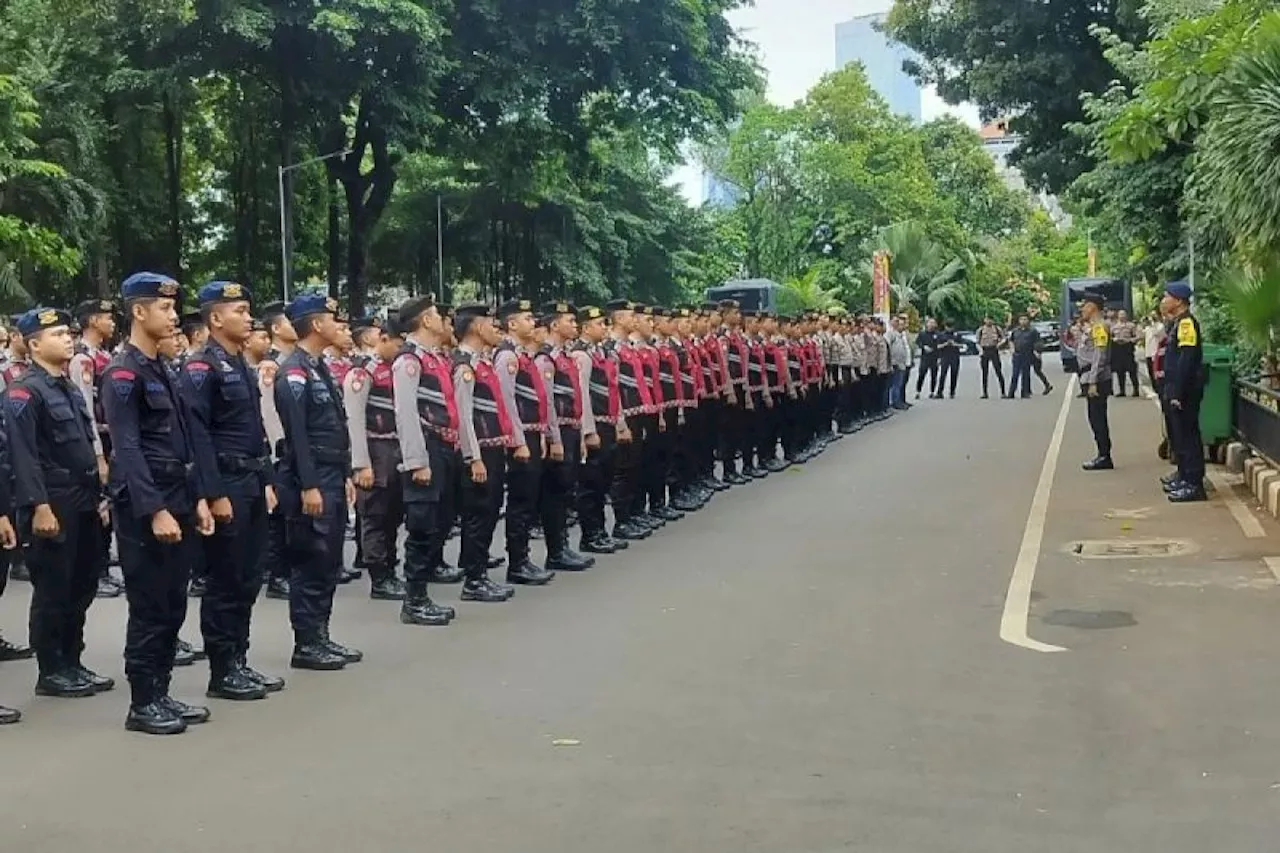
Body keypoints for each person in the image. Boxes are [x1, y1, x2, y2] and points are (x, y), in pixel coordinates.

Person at [102, 272, 216, 735]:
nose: (173, 316)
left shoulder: (160, 369)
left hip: (178, 496)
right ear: (139, 312)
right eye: (165, 308)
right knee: (151, 603)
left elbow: (183, 440)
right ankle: (143, 701)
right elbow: (126, 450)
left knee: (172, 603)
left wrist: (198, 500)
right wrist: (155, 510)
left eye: (174, 308)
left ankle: (162, 691)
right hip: (146, 506)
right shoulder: (122, 373)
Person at [179, 282, 281, 702]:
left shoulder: (240, 362)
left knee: (249, 576)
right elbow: (197, 434)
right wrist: (212, 491)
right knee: (226, 577)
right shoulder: (201, 367)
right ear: (216, 318)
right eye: (240, 310)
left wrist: (268, 479)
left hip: (252, 480)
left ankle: (239, 658)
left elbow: (254, 429)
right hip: (227, 483)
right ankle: (223, 669)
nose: (249, 318)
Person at [7, 307, 108, 702]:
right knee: (53, 588)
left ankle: (73, 660)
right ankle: (52, 669)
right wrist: (38, 506)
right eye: (58, 334)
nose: (68, 338)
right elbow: (23, 454)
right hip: (53, 501)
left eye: (69, 333)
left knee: (81, 584)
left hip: (82, 499)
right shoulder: (24, 390)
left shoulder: (65, 386)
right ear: (34, 344)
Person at [273, 292, 360, 672]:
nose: (340, 325)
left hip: (330, 473)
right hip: (310, 477)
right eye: (333, 319)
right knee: (311, 558)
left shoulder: (317, 367)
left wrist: (344, 475)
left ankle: (320, 635)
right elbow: (298, 437)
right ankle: (306, 642)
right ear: (315, 323)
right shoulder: (293, 371)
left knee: (328, 560)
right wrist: (309, 484)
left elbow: (335, 429)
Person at [390, 296, 460, 626]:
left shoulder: (434, 359)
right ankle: (414, 599)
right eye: (434, 315)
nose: (440, 319)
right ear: (424, 321)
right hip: (425, 448)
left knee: (438, 520)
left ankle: (422, 594)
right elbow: (406, 414)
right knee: (421, 524)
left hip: (443, 447)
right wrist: (417, 460)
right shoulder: (409, 362)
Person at [451, 303, 517, 602]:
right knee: (479, 514)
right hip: (480, 452)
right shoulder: (465, 365)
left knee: (488, 511)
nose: (496, 329)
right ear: (477, 327)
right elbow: (464, 416)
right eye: (491, 324)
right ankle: (474, 580)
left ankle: (478, 574)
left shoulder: (483, 362)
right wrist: (473, 456)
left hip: (493, 447)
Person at [494, 299, 558, 585]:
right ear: (512, 324)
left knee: (529, 498)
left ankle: (523, 558)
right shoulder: (507, 357)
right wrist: (518, 440)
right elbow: (506, 402)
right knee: (520, 501)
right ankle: (517, 562)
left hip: (533, 433)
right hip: (520, 437)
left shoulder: (524, 356)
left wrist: (543, 434)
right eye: (528, 318)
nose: (534, 323)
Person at [345, 318, 409, 601]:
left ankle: (391, 570)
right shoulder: (363, 373)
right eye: (397, 344)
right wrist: (361, 464)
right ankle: (379, 577)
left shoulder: (392, 370)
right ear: (382, 339)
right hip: (374, 452)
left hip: (394, 451)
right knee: (374, 517)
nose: (400, 350)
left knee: (393, 516)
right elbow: (354, 420)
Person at [536, 302, 596, 571]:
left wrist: (581, 434)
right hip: (557, 431)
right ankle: (555, 550)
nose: (575, 325)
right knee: (554, 492)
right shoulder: (545, 358)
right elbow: (546, 401)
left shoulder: (565, 356)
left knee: (564, 491)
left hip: (571, 429)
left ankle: (562, 546)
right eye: (569, 321)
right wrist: (554, 437)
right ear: (554, 325)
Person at [68, 299, 121, 599]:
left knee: (108, 507)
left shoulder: (103, 356)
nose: (112, 322)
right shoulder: (83, 360)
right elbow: (86, 408)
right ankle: (97, 571)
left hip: (110, 439)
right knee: (99, 506)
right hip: (98, 441)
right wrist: (98, 453)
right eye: (106, 317)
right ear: (91, 321)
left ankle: (102, 568)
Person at [575, 305, 632, 554]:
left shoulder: (603, 353)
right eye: (599, 324)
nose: (604, 328)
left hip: (608, 422)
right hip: (595, 423)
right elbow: (582, 396)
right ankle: (591, 534)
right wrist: (588, 431)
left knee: (604, 479)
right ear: (585, 328)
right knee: (592, 483)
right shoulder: (582, 356)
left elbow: (613, 390)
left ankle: (600, 531)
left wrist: (620, 423)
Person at [258, 301, 294, 600]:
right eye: (288, 320)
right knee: (278, 515)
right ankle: (277, 575)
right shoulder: (271, 365)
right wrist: (281, 446)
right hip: (278, 450)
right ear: (277, 329)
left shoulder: (292, 361)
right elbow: (269, 411)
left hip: (290, 450)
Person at [1160, 282, 1207, 502]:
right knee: (1179, 435)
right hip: (1176, 388)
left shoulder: (1187, 324)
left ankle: (1194, 484)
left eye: (1166, 296)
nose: (1163, 300)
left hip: (1185, 390)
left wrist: (1178, 392)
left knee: (1188, 436)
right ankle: (1184, 476)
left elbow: (1186, 359)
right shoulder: (1177, 322)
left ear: (1178, 301)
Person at [1076, 293, 1114, 470]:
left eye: (1084, 305)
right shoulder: (1092, 327)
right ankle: (1102, 454)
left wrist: (1093, 381)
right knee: (1094, 417)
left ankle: (1104, 456)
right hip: (1090, 376)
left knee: (1097, 418)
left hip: (1097, 379)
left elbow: (1100, 355)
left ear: (1092, 307)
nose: (1082, 309)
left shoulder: (1099, 327)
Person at [1006, 314, 1041, 399]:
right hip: (1017, 354)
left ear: (1028, 321)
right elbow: (1011, 340)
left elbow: (1037, 342)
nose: (1023, 321)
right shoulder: (1015, 331)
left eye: (1025, 319)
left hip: (1027, 354)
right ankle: (1011, 393)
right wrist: (1012, 349)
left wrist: (1037, 351)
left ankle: (1025, 392)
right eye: (1021, 319)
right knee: (1015, 374)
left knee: (1026, 374)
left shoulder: (1033, 331)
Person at [1110, 309, 1141, 397]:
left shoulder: (1131, 326)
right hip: (1118, 350)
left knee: (1132, 370)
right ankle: (1122, 390)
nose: (1122, 316)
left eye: (1124, 314)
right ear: (1118, 316)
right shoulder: (1114, 327)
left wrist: (1129, 340)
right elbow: (1110, 337)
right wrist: (1114, 340)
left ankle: (1136, 390)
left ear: (1126, 316)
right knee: (1120, 371)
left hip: (1128, 349)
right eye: (1120, 315)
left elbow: (1138, 336)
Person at [976, 316, 1006, 399]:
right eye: (987, 319)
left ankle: (1003, 392)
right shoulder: (981, 330)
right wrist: (980, 351)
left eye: (990, 319)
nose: (989, 321)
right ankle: (985, 393)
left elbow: (1004, 338)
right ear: (984, 320)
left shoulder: (997, 329)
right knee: (984, 373)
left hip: (994, 350)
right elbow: (977, 342)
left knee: (998, 371)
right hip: (985, 350)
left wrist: (999, 345)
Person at [934, 320, 961, 399]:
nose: (949, 329)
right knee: (942, 375)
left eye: (951, 327)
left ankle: (952, 392)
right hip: (944, 356)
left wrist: (954, 344)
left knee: (954, 374)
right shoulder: (941, 335)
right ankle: (939, 392)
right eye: (948, 327)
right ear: (945, 326)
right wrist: (946, 344)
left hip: (955, 356)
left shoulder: (957, 335)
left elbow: (962, 345)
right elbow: (938, 346)